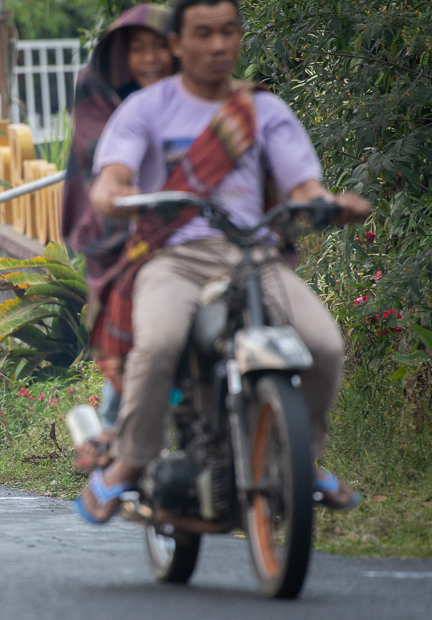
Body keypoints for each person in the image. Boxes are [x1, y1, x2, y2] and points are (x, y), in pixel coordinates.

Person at [77, 0, 371, 522]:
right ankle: (128, 462)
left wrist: (327, 202)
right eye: (203, 34)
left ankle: (302, 462)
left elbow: (302, 182)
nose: (217, 45)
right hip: (174, 259)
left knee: (324, 345)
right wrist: (112, 193)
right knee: (160, 342)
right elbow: (113, 176)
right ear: (177, 45)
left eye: (227, 32)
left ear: (239, 38)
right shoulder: (147, 109)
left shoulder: (263, 109)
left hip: (254, 255)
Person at [60, 3, 175, 473]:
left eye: (159, 47)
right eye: (136, 50)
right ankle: (112, 424)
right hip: (112, 222)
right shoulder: (101, 91)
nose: (148, 59)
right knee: (142, 323)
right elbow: (106, 165)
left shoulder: (194, 96)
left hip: (190, 221)